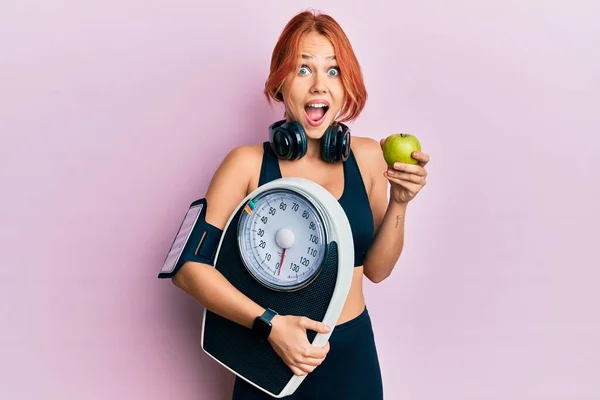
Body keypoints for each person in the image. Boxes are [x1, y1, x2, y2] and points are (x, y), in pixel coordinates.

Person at [172, 9, 430, 399]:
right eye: (304, 69)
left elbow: (377, 270)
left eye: (333, 70)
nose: (319, 87)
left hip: (352, 354)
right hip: (267, 353)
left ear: (347, 86)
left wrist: (401, 202)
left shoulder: (368, 157)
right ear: (280, 83)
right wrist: (270, 326)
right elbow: (188, 268)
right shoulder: (246, 164)